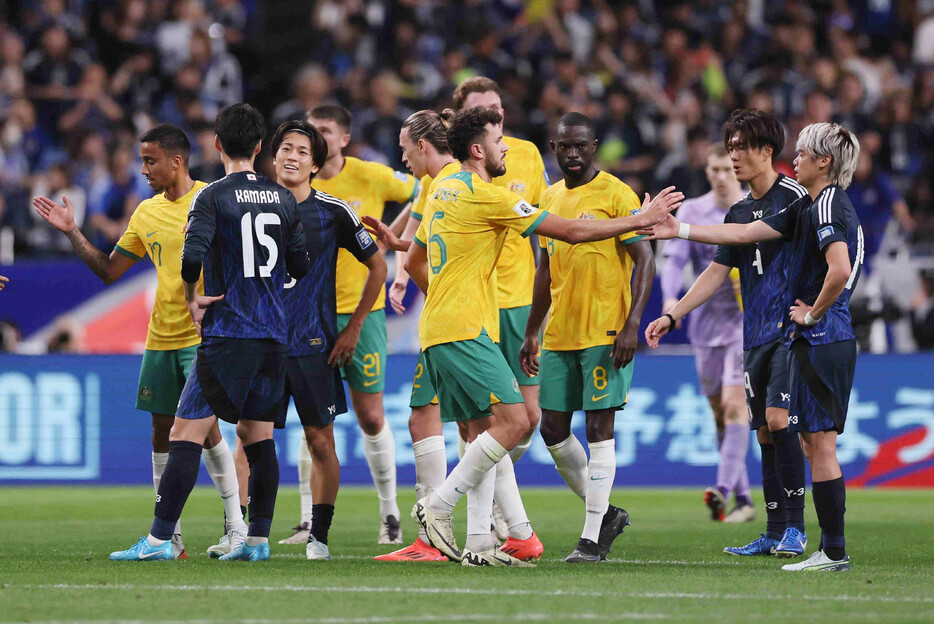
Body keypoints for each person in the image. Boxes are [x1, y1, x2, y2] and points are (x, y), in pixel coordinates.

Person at [370, 108, 682, 565]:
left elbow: (415, 260)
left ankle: (482, 543)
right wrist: (641, 218)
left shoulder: (440, 188)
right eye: (499, 142)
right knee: (515, 423)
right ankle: (436, 508)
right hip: (468, 328)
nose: (506, 150)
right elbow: (573, 232)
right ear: (478, 150)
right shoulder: (487, 196)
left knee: (480, 431)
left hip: (438, 327)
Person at [644, 122, 863, 572]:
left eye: (741, 149)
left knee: (787, 423)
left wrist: (681, 229)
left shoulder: (801, 200)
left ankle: (801, 532)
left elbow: (832, 263)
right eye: (728, 149)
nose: (734, 158)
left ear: (767, 151)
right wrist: (674, 314)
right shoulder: (741, 210)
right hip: (755, 334)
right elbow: (719, 268)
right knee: (764, 429)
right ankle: (774, 527)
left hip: (793, 332)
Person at [109, 103, 310, 562]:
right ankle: (256, 541)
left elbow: (192, 256)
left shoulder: (212, 196)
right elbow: (299, 265)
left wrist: (192, 296)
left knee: (184, 433)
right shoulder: (283, 198)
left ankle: (159, 541)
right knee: (258, 437)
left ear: (217, 144)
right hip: (274, 335)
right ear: (261, 147)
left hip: (229, 334)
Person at [33, 124, 245, 559]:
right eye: (142, 160)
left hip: (203, 337)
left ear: (176, 161)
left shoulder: (213, 199)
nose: (143, 169)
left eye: (150, 161)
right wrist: (72, 231)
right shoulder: (145, 213)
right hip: (160, 337)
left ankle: (236, 528)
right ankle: (172, 541)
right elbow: (109, 270)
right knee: (160, 434)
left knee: (207, 433)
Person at [277, 104, 419, 546]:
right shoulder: (296, 188)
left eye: (322, 131)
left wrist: (391, 235)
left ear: (342, 138)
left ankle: (390, 515)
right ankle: (306, 520)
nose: (312, 138)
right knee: (311, 420)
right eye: (307, 132)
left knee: (371, 416)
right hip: (306, 315)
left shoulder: (371, 176)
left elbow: (425, 189)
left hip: (363, 313)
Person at [519, 112, 654, 562]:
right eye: (564, 147)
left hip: (605, 331)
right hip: (559, 333)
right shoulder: (548, 196)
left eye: (581, 146)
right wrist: (532, 330)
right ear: (553, 148)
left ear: (594, 145)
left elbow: (645, 261)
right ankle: (607, 514)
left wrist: (632, 323)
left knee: (599, 428)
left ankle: (591, 538)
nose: (572, 154)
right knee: (553, 430)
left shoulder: (617, 193)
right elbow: (544, 267)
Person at [270, 119, 387, 560]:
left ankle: (318, 537)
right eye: (286, 148)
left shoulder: (334, 211)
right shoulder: (251, 207)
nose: (292, 156)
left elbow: (378, 266)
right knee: (250, 435)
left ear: (315, 164)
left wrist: (354, 326)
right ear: (274, 155)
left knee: (321, 442)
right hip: (261, 341)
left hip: (313, 345)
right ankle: (247, 532)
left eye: (302, 151)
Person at [451, 78, 548, 487]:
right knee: (477, 423)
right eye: (484, 109)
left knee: (527, 418)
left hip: (518, 299)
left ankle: (480, 498)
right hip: (472, 306)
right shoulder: (452, 172)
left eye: (498, 105)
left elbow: (546, 230)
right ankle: (480, 511)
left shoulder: (524, 153)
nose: (496, 114)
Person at [373, 109, 461, 563]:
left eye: (405, 146)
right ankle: (504, 530)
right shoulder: (443, 185)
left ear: (423, 146)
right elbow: (423, 247)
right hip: (458, 318)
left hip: (462, 322)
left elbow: (429, 255)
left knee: (492, 426)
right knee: (448, 421)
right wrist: (400, 250)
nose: (402, 155)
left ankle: (445, 532)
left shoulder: (451, 186)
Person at [659, 144, 753, 523]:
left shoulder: (752, 210)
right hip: (704, 326)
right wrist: (669, 298)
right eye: (713, 169)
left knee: (734, 407)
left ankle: (723, 489)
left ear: (737, 170)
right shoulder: (694, 211)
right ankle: (744, 499)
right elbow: (675, 259)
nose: (720, 175)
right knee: (719, 414)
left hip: (745, 326)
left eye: (726, 169)